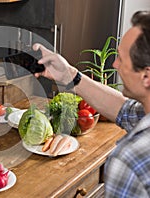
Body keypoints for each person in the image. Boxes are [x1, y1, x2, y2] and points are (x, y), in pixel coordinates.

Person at [33, 10, 150, 197]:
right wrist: (70, 75)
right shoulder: (144, 115)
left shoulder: (130, 160)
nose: (114, 65)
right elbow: (124, 109)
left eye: (121, 58)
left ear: (146, 76)